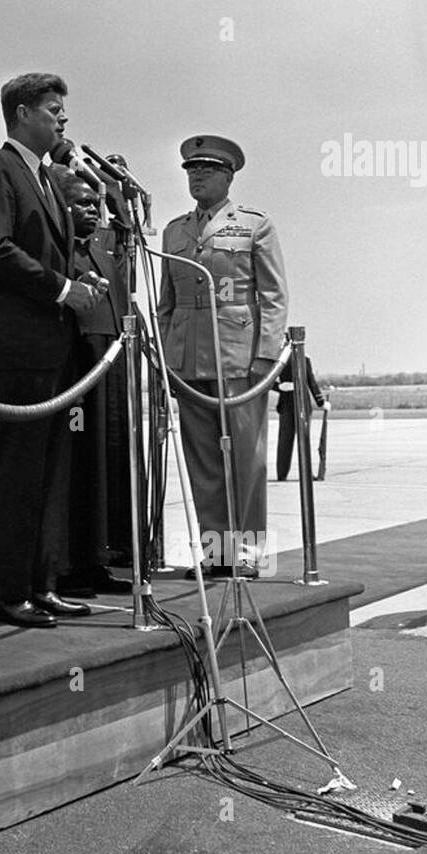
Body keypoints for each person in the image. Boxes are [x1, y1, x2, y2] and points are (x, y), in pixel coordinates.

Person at [0, 73, 100, 629]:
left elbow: (48, 248)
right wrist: (62, 289)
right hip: (22, 346)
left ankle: (43, 584)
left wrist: (83, 282)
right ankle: (9, 592)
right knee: (19, 471)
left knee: (50, 472)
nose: (63, 120)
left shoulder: (46, 177)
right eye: (53, 110)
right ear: (22, 114)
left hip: (54, 343)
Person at [157, 135, 287, 577]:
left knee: (246, 461)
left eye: (207, 169)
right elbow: (166, 303)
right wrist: (164, 358)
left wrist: (266, 356)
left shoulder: (255, 225)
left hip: (239, 356)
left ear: (228, 176)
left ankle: (247, 555)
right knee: (203, 462)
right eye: (192, 170)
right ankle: (217, 554)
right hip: (187, 358)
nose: (197, 176)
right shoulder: (175, 231)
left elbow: (272, 295)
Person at [51, 171, 133, 597]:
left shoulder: (100, 252)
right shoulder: (58, 254)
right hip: (73, 374)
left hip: (106, 374)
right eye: (81, 203)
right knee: (73, 471)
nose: (91, 210)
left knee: (101, 469)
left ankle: (95, 560)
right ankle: (66, 565)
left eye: (93, 203)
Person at [275, 351, 325, 481]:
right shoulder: (279, 357)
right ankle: (282, 473)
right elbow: (267, 379)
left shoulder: (303, 357)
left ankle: (304, 473)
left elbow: (310, 380)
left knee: (302, 440)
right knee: (286, 440)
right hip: (287, 402)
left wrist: (320, 401)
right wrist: (279, 387)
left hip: (301, 402)